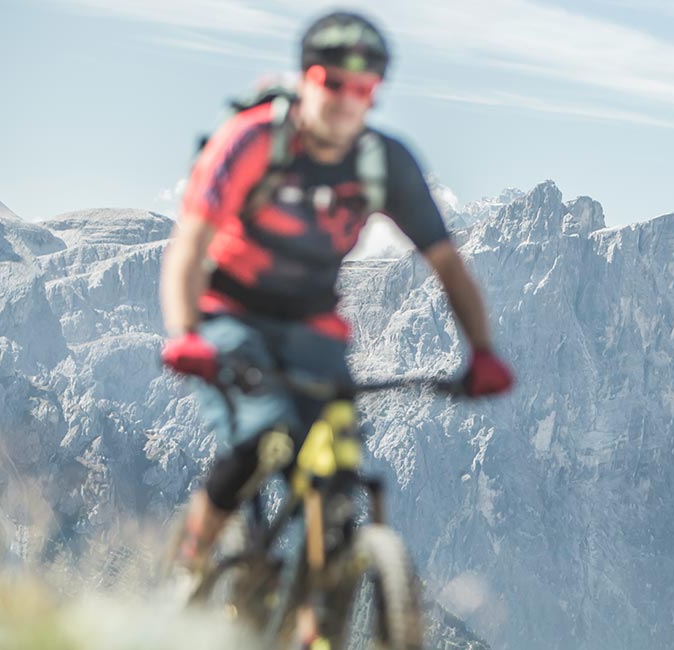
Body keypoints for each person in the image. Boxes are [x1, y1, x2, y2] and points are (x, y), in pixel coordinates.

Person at [159, 10, 514, 592]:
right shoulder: (252, 140)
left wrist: (482, 350)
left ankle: (312, 623)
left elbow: (448, 265)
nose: (350, 99)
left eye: (366, 88)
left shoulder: (384, 162)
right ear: (306, 78)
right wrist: (185, 333)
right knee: (258, 440)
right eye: (334, 82)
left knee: (337, 465)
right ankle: (186, 570)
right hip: (231, 312)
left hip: (312, 322)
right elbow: (189, 246)